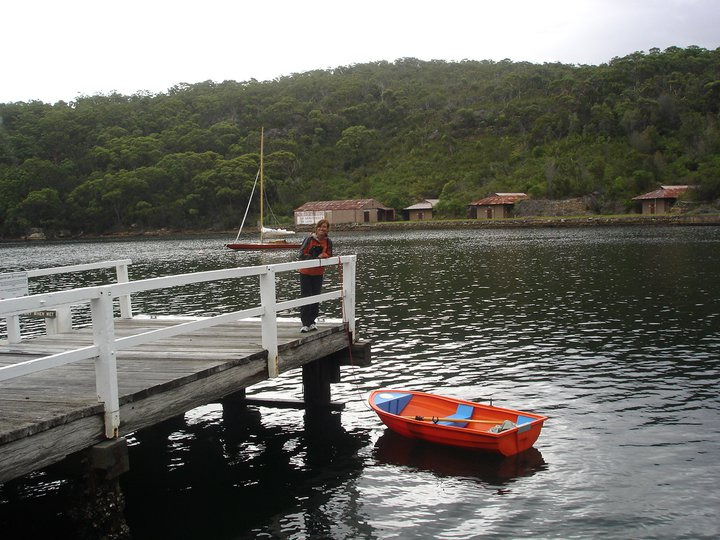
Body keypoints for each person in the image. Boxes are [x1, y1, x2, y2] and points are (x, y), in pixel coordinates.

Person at [298, 219, 333, 332]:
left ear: (327, 229)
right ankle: (305, 323)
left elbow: (330, 254)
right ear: (317, 228)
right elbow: (301, 255)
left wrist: (325, 255)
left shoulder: (328, 242)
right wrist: (315, 257)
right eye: (320, 226)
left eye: (325, 227)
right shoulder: (309, 239)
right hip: (306, 272)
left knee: (316, 297)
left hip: (318, 273)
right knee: (306, 296)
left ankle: (312, 322)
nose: (322, 229)